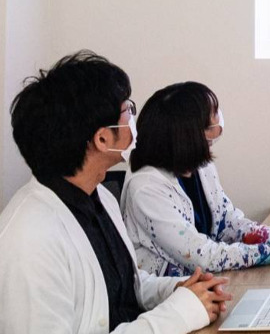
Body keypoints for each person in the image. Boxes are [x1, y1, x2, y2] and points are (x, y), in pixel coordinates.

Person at [0, 51, 231, 333]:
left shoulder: (100, 197)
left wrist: (178, 289)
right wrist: (182, 311)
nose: (134, 118)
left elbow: (126, 289)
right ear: (102, 138)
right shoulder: (30, 240)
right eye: (127, 110)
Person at [121, 81, 270, 276]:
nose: (218, 122)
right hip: (173, 295)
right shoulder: (146, 189)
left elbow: (228, 223)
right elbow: (203, 257)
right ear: (187, 133)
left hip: (209, 284)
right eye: (211, 117)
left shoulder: (200, 167)